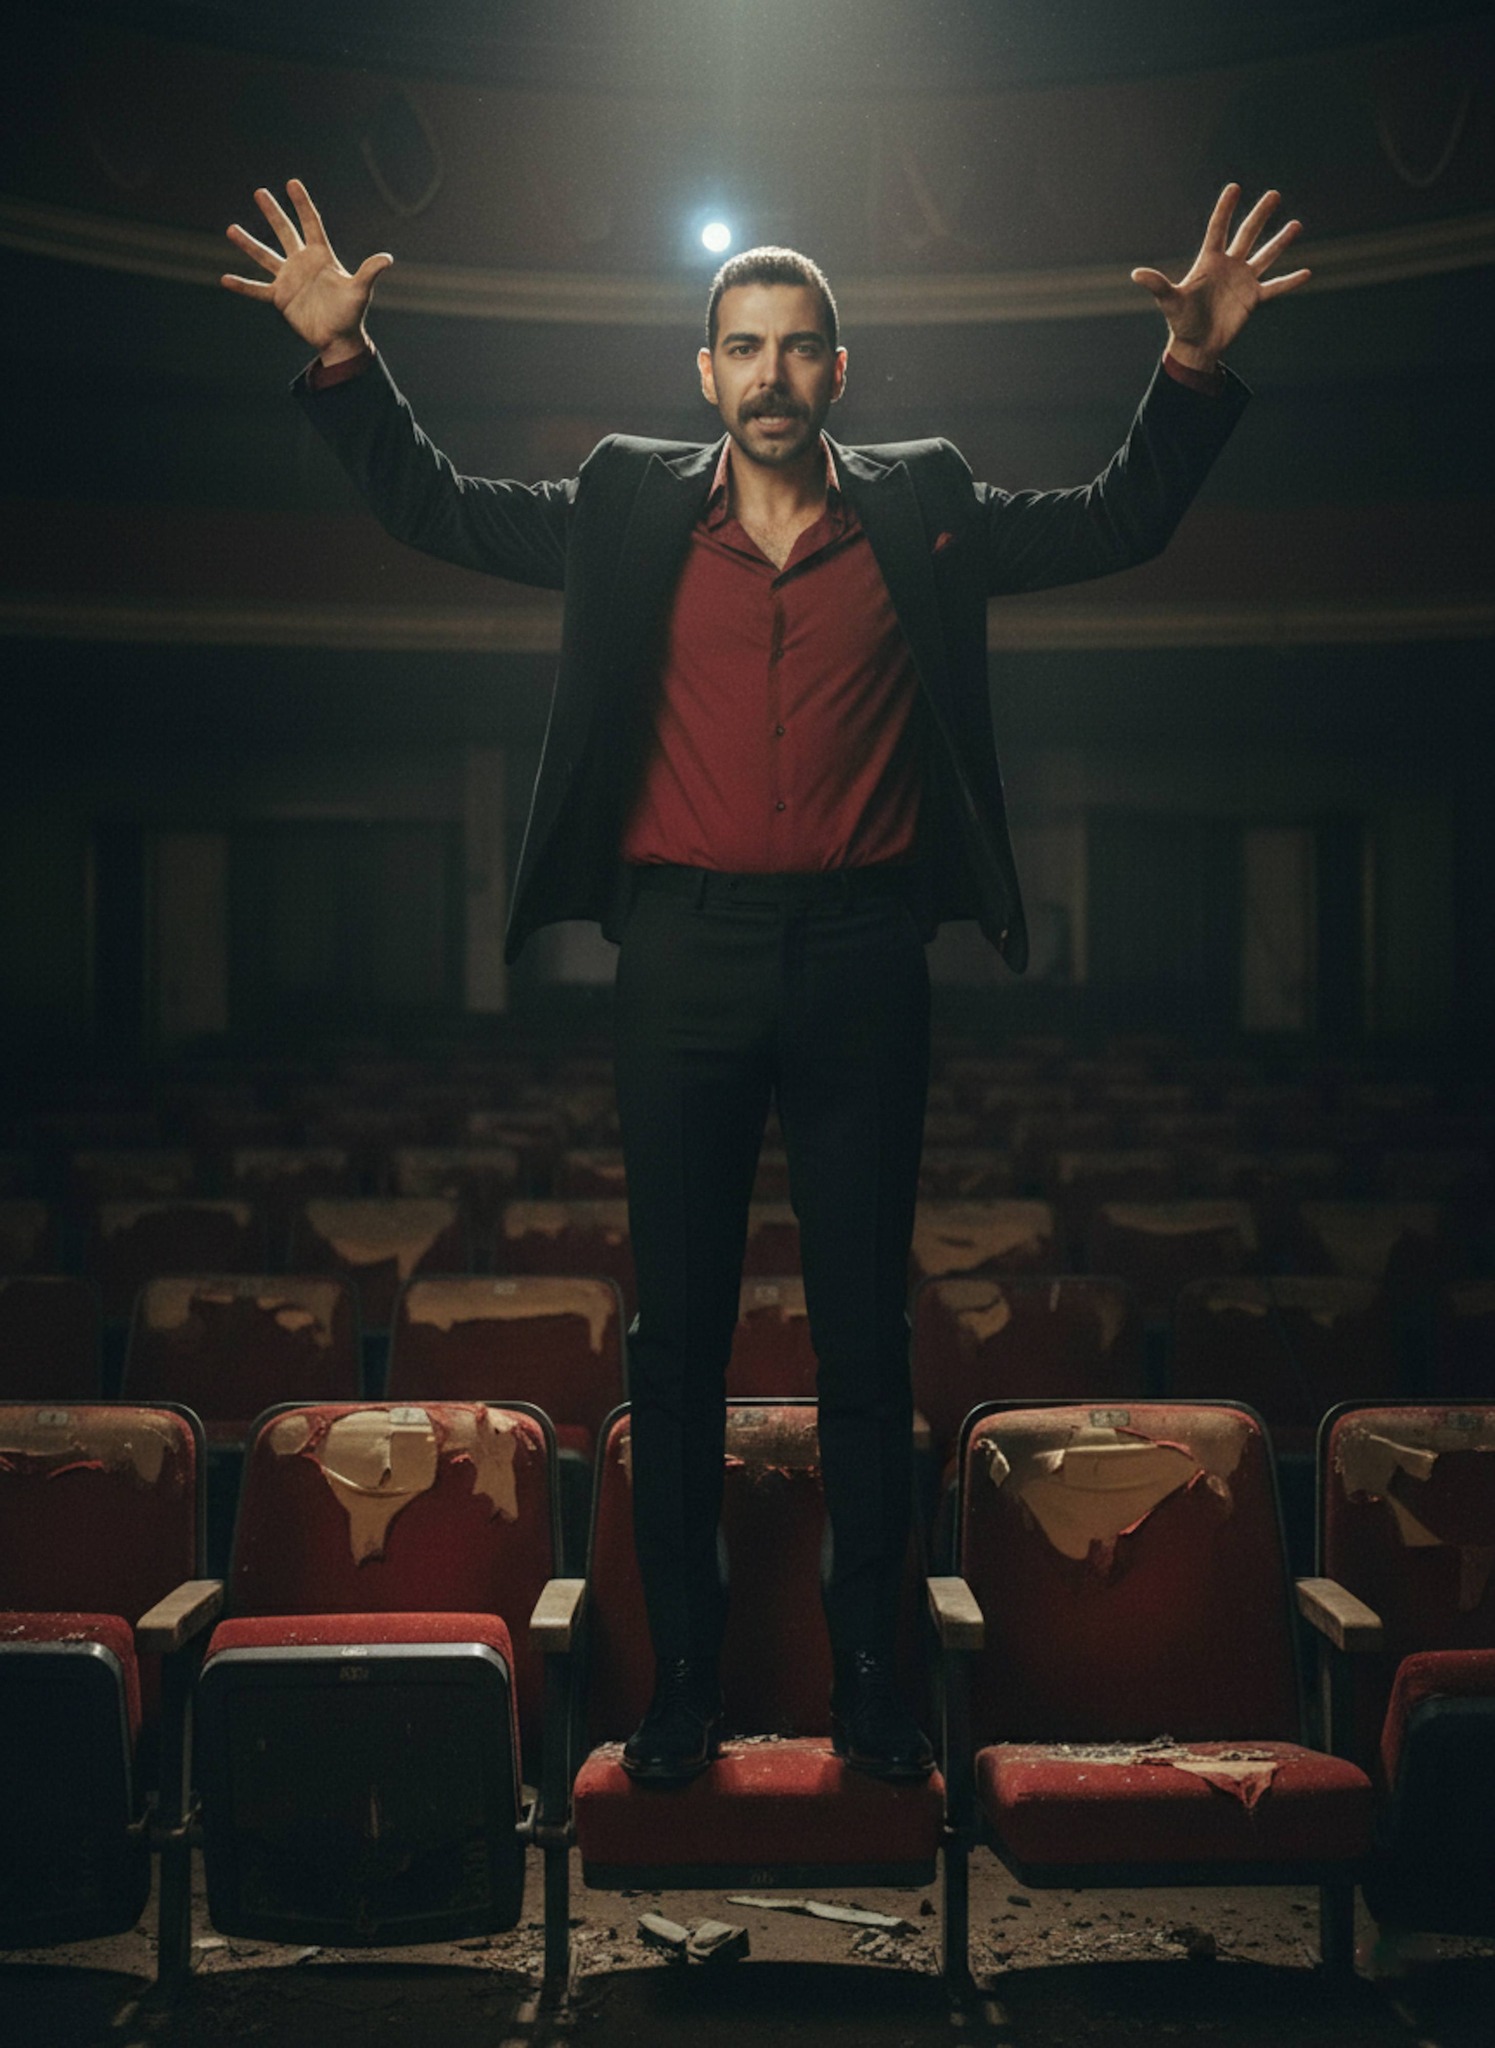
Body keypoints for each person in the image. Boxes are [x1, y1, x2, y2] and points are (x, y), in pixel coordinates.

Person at [223, 178, 1308, 1783]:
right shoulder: (621, 503)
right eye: (746, 350)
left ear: (841, 375)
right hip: (684, 954)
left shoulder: (926, 506)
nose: (774, 376)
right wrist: (344, 358)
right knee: (679, 1345)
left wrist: (1195, 369)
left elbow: (1116, 518)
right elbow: (437, 508)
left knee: (867, 1341)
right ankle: (684, 1691)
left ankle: (873, 1683)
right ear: (707, 372)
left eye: (802, 350)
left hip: (868, 953)